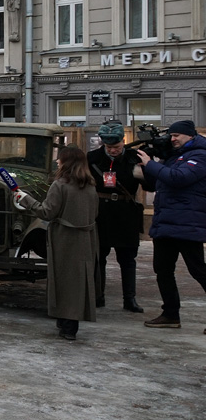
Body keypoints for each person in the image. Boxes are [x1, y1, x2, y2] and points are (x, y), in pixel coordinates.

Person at [15, 146, 99, 341]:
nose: (57, 162)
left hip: (64, 237)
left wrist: (26, 200)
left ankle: (67, 324)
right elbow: (94, 214)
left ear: (65, 162)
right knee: (78, 280)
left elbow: (47, 212)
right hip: (86, 238)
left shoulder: (60, 185)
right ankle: (69, 322)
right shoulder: (90, 186)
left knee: (63, 279)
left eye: (60, 159)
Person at [135, 119, 206, 332]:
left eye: (177, 136)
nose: (172, 139)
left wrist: (151, 163)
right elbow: (158, 183)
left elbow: (177, 178)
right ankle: (170, 314)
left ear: (190, 136)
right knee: (163, 270)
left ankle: (171, 314)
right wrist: (145, 167)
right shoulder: (175, 157)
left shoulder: (200, 156)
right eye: (171, 135)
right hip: (166, 223)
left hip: (187, 223)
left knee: (198, 271)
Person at [87, 120, 152, 312]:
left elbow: (150, 186)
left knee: (128, 259)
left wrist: (145, 172)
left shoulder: (134, 157)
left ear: (123, 141)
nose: (112, 150)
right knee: (99, 258)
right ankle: (98, 295)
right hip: (102, 213)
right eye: (108, 147)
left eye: (116, 147)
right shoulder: (93, 158)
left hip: (127, 212)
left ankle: (129, 299)